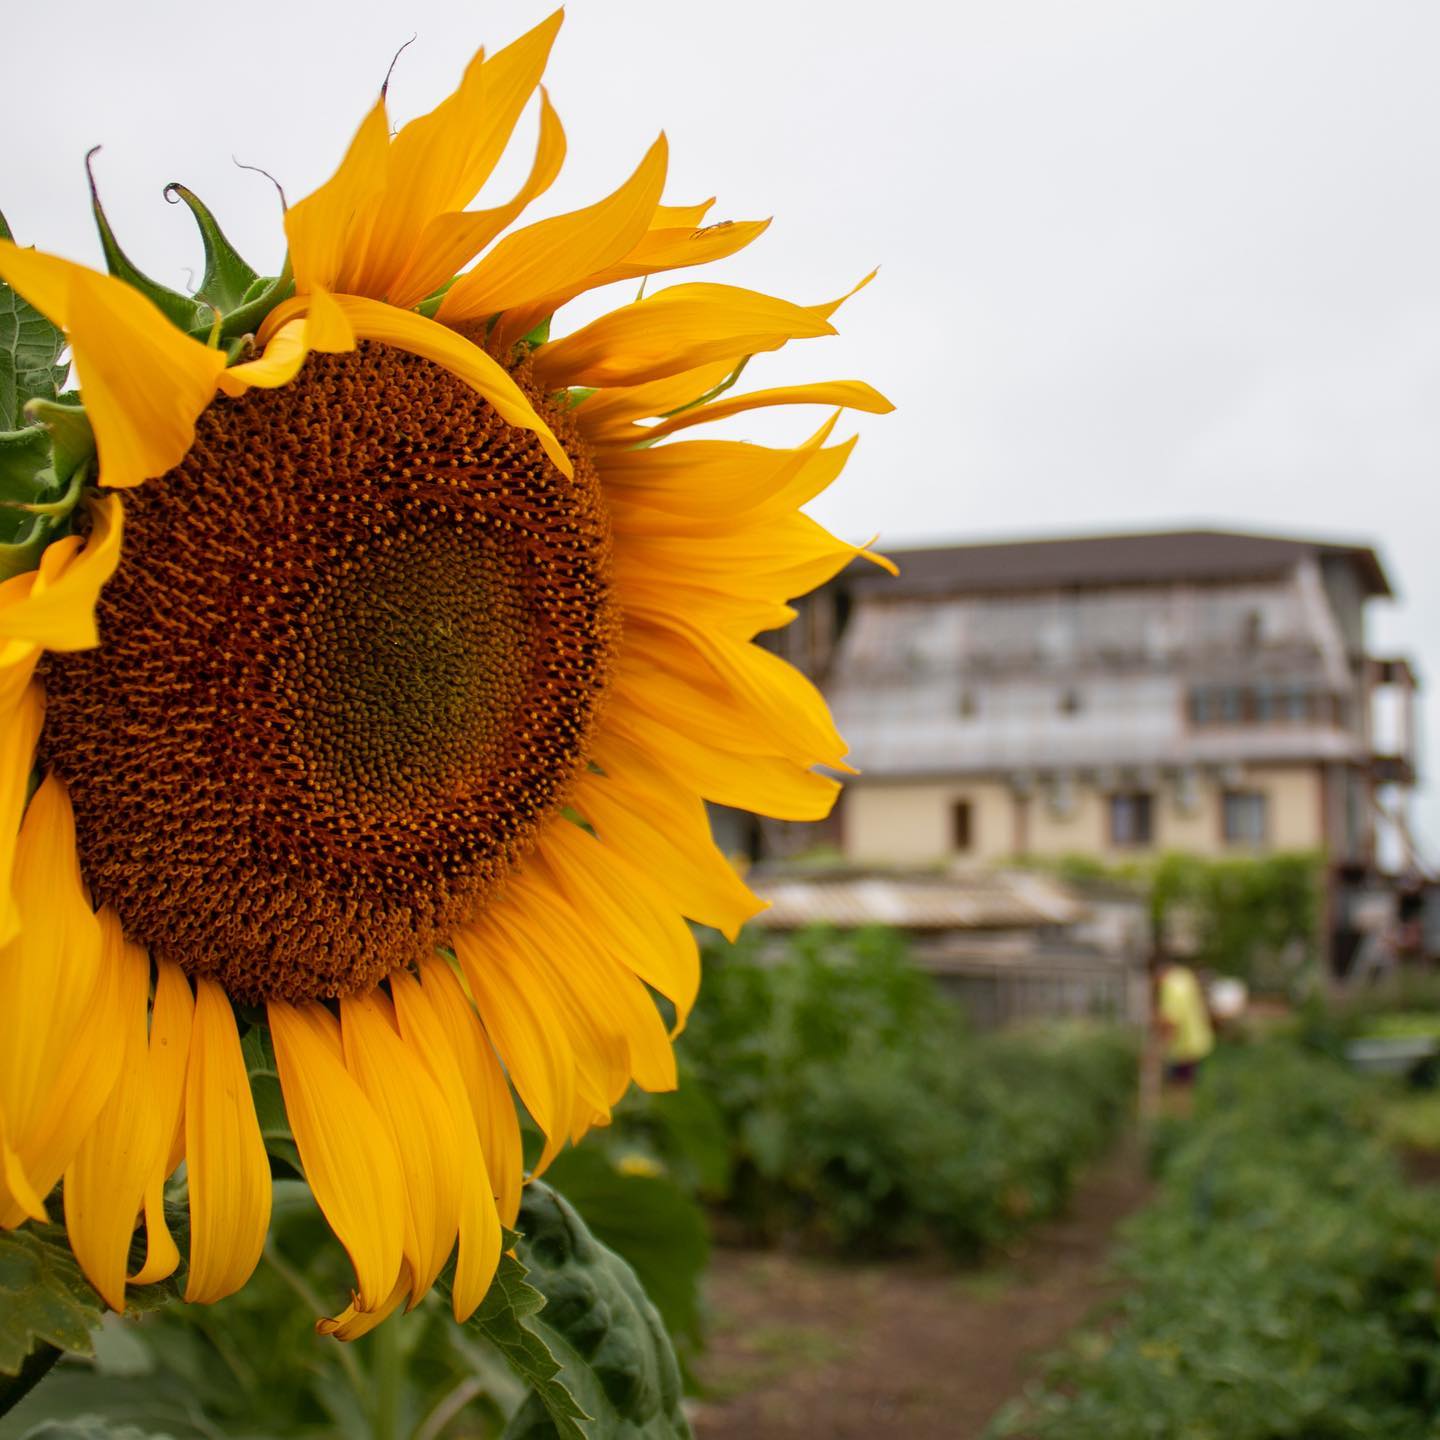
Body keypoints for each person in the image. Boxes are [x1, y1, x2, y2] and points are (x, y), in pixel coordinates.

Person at [1155, 959, 1215, 1085]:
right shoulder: (1185, 975)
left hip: (1182, 1048)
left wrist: (1160, 1049)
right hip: (1198, 1041)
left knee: (1179, 1088)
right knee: (1191, 1084)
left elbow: (1171, 1020)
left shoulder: (1170, 986)